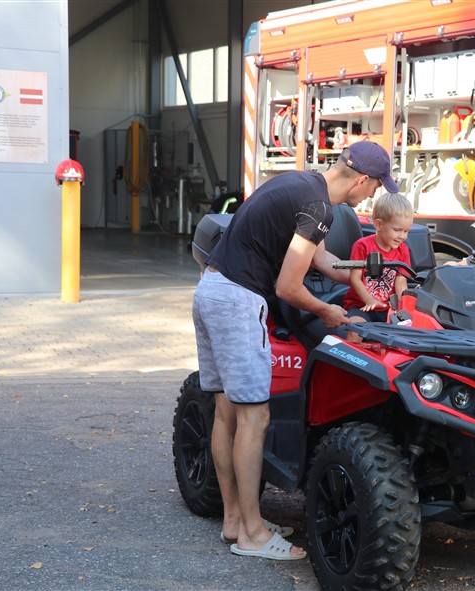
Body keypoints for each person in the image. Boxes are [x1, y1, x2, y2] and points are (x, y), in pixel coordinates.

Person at [192, 141, 399, 559]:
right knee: (255, 415)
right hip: (238, 301)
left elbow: (321, 260)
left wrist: (365, 270)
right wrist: (328, 312)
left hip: (210, 290)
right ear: (361, 180)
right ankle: (252, 534)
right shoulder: (321, 208)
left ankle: (235, 521)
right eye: (376, 186)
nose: (375, 194)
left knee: (227, 412)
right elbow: (288, 287)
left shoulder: (301, 185)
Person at [342, 192, 414, 342]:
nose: (402, 236)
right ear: (379, 225)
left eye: (406, 231)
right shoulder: (362, 246)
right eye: (397, 230)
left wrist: (402, 307)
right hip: (362, 306)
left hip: (388, 309)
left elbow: (401, 282)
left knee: (408, 333)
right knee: (356, 330)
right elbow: (355, 279)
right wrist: (369, 300)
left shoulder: (403, 250)